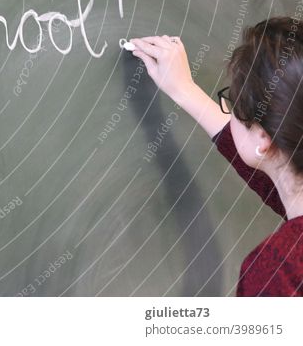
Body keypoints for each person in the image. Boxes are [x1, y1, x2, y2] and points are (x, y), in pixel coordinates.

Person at [130, 17, 303, 296]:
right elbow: (272, 169)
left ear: (264, 139)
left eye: (232, 101)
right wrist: (184, 90)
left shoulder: (278, 272)